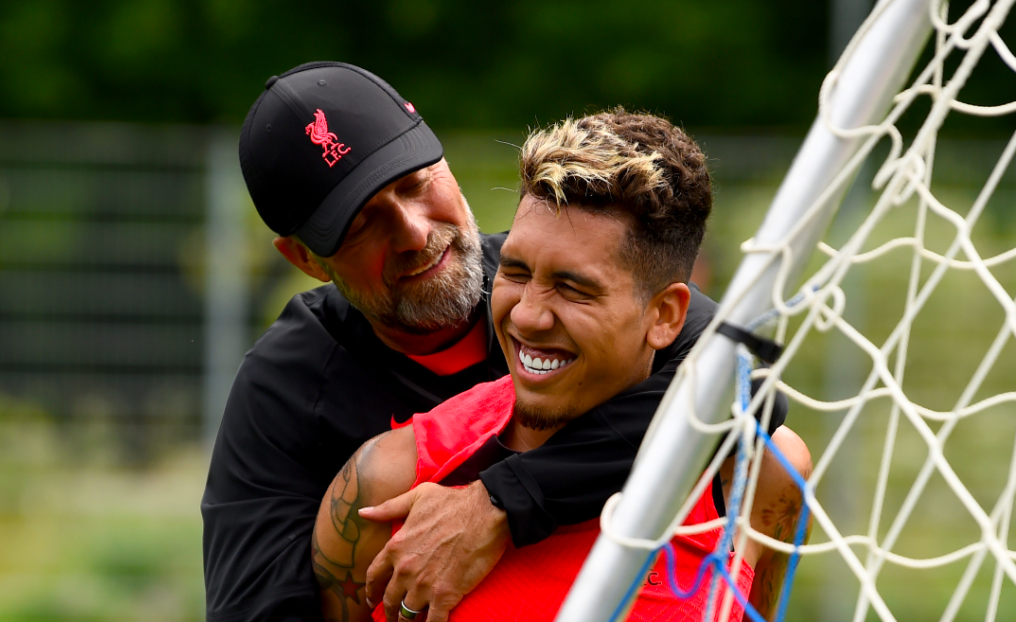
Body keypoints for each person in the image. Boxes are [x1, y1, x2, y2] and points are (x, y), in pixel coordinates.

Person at [202, 62, 790, 622]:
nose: (414, 232)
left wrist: (500, 502)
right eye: (361, 223)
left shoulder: (554, 279)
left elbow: (748, 386)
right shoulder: (286, 391)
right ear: (305, 260)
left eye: (414, 183)